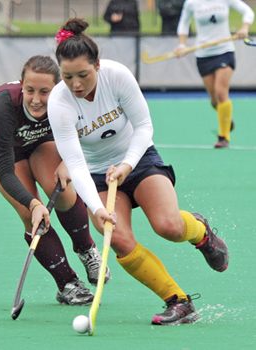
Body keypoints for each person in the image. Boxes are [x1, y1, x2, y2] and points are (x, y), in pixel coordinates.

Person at [48, 18, 230, 325]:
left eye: (83, 75)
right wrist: (95, 208)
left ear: (98, 65)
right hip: (96, 175)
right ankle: (178, 301)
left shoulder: (117, 76)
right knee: (116, 238)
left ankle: (201, 232)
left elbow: (144, 126)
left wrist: (126, 165)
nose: (76, 84)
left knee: (169, 227)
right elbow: (75, 162)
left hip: (139, 158)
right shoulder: (59, 101)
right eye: (67, 77)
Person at [0, 55, 111, 306]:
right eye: (30, 90)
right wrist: (34, 204)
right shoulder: (4, 106)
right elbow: (6, 172)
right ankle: (67, 282)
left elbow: (84, 131)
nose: (36, 99)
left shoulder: (68, 97)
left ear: (57, 88)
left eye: (44, 92)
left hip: (39, 138)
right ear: (21, 84)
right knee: (29, 211)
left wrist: (69, 160)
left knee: (64, 192)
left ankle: (86, 248)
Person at [175, 0, 254, 148]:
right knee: (214, 101)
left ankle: (224, 137)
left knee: (220, 92)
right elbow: (183, 24)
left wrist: (244, 27)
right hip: (203, 54)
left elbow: (248, 12)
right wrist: (182, 45)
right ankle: (226, 117)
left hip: (224, 51)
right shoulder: (191, 3)